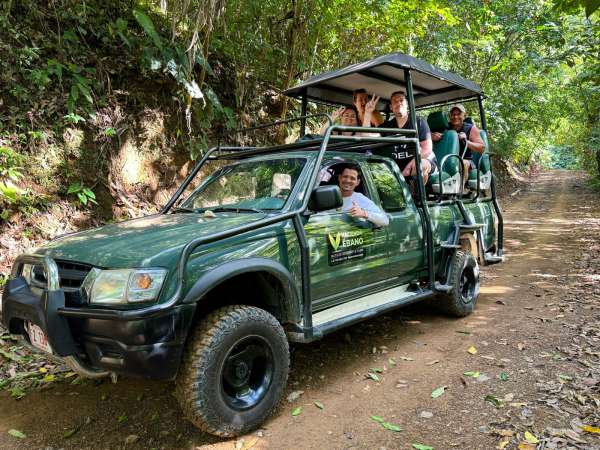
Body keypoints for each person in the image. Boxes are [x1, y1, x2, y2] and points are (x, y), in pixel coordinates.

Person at [376, 91, 436, 184]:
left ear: (407, 104)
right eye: (395, 101)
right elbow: (368, 137)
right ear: (391, 107)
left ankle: (418, 196)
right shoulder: (386, 126)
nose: (399, 103)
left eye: (401, 100)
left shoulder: (419, 122)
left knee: (420, 166)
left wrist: (408, 169)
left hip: (419, 160)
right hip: (396, 166)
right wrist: (367, 113)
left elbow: (426, 149)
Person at [432, 104, 485, 185]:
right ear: (449, 116)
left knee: (464, 163)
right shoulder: (444, 127)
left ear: (464, 115)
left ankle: (459, 191)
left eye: (458, 114)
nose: (455, 117)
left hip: (465, 160)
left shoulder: (471, 128)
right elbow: (424, 135)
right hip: (445, 160)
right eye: (453, 114)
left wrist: (466, 141)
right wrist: (432, 136)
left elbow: (482, 148)